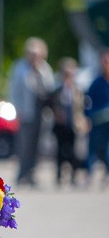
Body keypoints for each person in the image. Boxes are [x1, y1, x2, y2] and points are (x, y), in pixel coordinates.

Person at [9, 37, 54, 187]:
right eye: (32, 54)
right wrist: (17, 111)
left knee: (38, 145)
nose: (35, 57)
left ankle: (32, 173)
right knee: (24, 144)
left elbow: (50, 89)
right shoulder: (20, 68)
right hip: (26, 113)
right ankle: (22, 173)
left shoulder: (45, 69)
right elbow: (14, 91)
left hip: (42, 113)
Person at [48, 58, 82, 187]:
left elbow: (82, 106)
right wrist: (56, 113)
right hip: (60, 124)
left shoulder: (77, 89)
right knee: (60, 151)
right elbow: (50, 103)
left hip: (73, 123)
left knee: (74, 151)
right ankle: (59, 176)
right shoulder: (57, 89)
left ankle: (74, 176)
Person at [84, 50, 109, 186]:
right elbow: (87, 101)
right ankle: (90, 173)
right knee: (93, 148)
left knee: (107, 149)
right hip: (98, 120)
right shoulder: (97, 83)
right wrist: (87, 117)